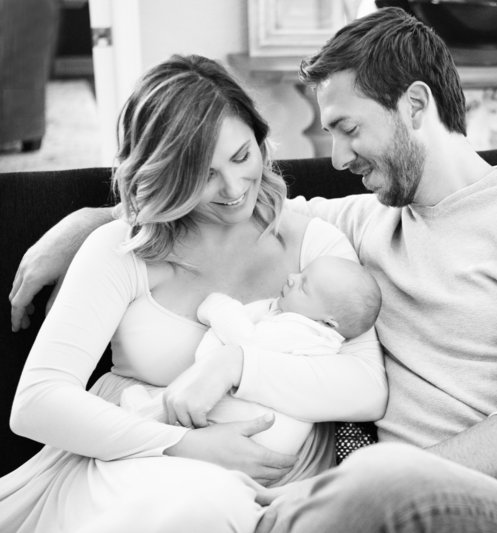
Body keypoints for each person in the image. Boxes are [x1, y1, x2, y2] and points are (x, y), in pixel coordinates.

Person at [9, 8, 497, 533]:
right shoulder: (366, 222)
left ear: (415, 105)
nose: (336, 155)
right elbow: (218, 208)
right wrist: (87, 222)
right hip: (389, 502)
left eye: (347, 128)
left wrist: (374, 484)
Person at [0, 54, 386, 533]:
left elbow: (368, 389)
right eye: (202, 174)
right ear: (166, 174)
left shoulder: (313, 247)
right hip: (136, 464)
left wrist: (236, 365)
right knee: (204, 504)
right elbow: (37, 401)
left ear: (260, 138)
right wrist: (181, 444)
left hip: (283, 480)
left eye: (242, 156)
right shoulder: (124, 252)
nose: (232, 189)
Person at [121, 255, 382, 473]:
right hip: (271, 439)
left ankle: (142, 415)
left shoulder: (303, 331)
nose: (292, 277)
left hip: (262, 429)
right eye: (301, 273)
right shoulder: (312, 329)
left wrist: (219, 307)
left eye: (304, 286)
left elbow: (247, 340)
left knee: (190, 404)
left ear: (329, 322)